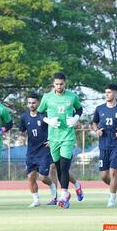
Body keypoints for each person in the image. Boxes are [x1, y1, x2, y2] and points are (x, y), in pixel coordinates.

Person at [37, 72, 83, 209]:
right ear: (53, 84)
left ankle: (64, 195)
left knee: (64, 166)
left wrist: (75, 119)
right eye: (56, 84)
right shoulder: (47, 97)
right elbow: (39, 113)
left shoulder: (72, 96)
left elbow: (79, 109)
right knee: (58, 168)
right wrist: (48, 120)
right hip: (53, 137)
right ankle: (74, 187)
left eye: (61, 84)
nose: (59, 86)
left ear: (65, 83)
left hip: (67, 137)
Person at [92, 83, 117, 207]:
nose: (107, 95)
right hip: (103, 145)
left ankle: (112, 199)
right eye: (106, 93)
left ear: (115, 94)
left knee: (114, 172)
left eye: (109, 92)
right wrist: (96, 130)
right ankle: (114, 188)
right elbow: (94, 123)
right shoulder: (100, 108)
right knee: (104, 175)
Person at [19, 92, 57, 207]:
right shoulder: (24, 117)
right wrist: (21, 137)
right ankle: (36, 200)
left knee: (43, 177)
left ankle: (53, 190)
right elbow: (22, 130)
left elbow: (54, 128)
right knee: (30, 176)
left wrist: (51, 140)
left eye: (34, 103)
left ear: (38, 103)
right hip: (31, 151)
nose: (31, 105)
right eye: (29, 103)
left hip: (44, 150)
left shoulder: (44, 115)